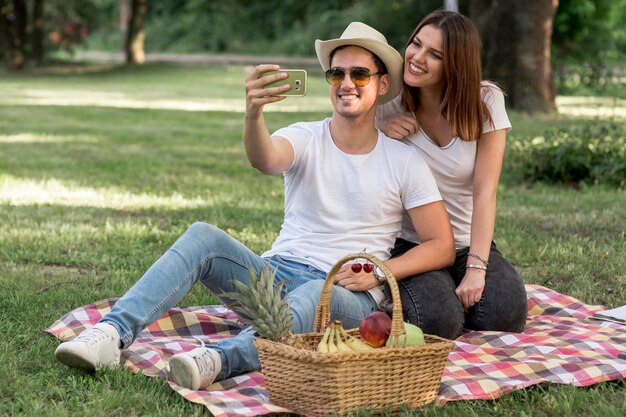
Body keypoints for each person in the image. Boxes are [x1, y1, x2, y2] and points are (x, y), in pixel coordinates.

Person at [54, 22, 455, 390]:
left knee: (316, 291)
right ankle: (111, 334)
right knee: (202, 237)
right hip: (275, 275)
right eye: (337, 73)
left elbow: (441, 245)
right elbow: (265, 158)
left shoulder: (404, 161)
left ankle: (219, 359)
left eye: (359, 74)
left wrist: (381, 274)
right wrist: (253, 113)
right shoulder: (305, 136)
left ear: (382, 85)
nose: (346, 83)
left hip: (343, 293)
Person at [376, 10, 527, 339]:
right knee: (439, 322)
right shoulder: (388, 105)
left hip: (464, 242)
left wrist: (476, 267)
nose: (417, 57)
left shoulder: (485, 101)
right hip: (410, 243)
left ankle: (447, 290)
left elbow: (484, 193)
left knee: (506, 312)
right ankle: (418, 296)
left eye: (435, 54)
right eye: (416, 44)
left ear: (455, 64)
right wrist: (380, 135)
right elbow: (346, 149)